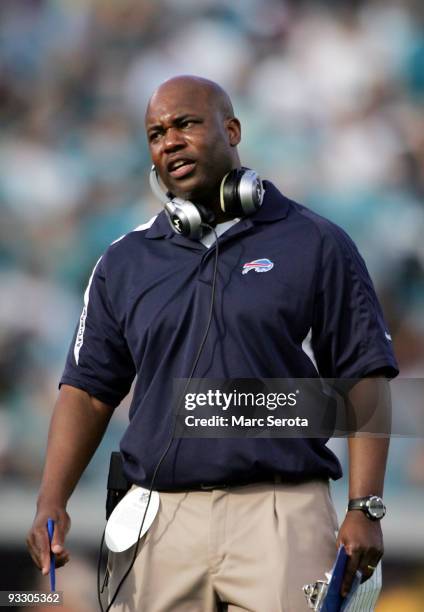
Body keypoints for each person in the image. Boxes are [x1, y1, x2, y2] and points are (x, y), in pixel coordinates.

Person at [27, 75, 399, 611]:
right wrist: (51, 497)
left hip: (280, 509)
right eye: (156, 133)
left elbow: (364, 375)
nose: (169, 141)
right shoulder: (124, 262)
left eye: (185, 124)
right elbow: (87, 391)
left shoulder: (316, 241)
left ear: (232, 129)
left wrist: (365, 505)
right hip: (158, 520)